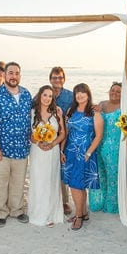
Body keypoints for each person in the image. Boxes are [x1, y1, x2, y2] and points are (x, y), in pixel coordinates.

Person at [0, 62, 33, 228]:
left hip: (21, 147)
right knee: (0, 182)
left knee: (18, 182)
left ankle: (17, 210)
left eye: (17, 73)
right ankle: (0, 212)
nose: (14, 76)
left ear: (20, 75)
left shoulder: (26, 94)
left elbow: (33, 117)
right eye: (10, 73)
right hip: (1, 148)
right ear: (4, 75)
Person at [61, 83, 104, 231]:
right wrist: (62, 151)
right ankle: (83, 213)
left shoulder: (94, 112)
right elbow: (66, 133)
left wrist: (88, 152)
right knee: (77, 185)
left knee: (76, 185)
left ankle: (78, 216)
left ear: (88, 94)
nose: (79, 95)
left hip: (85, 153)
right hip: (70, 152)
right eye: (77, 93)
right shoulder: (71, 111)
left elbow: (98, 136)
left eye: (82, 92)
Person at [28, 85, 66, 227]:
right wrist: (38, 142)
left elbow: (62, 133)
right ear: (40, 96)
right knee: (38, 180)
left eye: (50, 96)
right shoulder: (32, 113)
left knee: (51, 180)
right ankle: (38, 213)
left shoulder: (57, 113)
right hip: (37, 151)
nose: (47, 98)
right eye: (45, 95)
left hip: (53, 151)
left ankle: (51, 213)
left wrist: (52, 144)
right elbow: (29, 135)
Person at [89, 82, 122, 214]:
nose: (114, 92)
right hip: (99, 144)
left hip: (115, 147)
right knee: (99, 174)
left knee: (113, 177)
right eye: (112, 90)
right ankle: (98, 203)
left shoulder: (125, 107)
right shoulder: (101, 104)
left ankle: (112, 205)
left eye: (118, 91)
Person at [49, 66, 73, 215]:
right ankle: (50, 198)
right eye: (54, 77)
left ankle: (64, 201)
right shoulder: (44, 93)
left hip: (66, 137)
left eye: (60, 77)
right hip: (46, 136)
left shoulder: (71, 96)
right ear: (50, 79)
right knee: (49, 168)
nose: (57, 80)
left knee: (63, 169)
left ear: (64, 79)